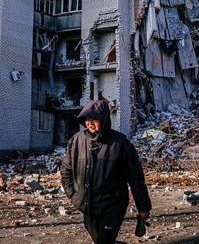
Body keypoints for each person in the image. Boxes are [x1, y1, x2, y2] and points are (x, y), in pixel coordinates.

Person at [60, 100, 152, 244]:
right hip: (87, 206)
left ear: (104, 119)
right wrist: (72, 194)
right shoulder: (76, 141)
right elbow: (66, 170)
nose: (90, 123)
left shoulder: (120, 144)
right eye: (87, 119)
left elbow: (136, 178)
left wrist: (143, 208)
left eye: (95, 119)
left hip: (112, 207)